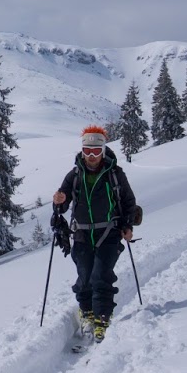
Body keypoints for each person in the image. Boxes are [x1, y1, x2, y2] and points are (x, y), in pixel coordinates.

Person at [51, 125, 138, 342]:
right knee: (84, 277)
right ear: (82, 151)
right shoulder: (74, 176)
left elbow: (128, 202)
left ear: (103, 150)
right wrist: (59, 202)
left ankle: (102, 318)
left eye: (96, 151)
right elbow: (62, 206)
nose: (91, 156)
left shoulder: (115, 175)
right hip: (81, 234)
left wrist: (127, 226)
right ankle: (87, 312)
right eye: (87, 151)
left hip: (109, 233)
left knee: (101, 276)